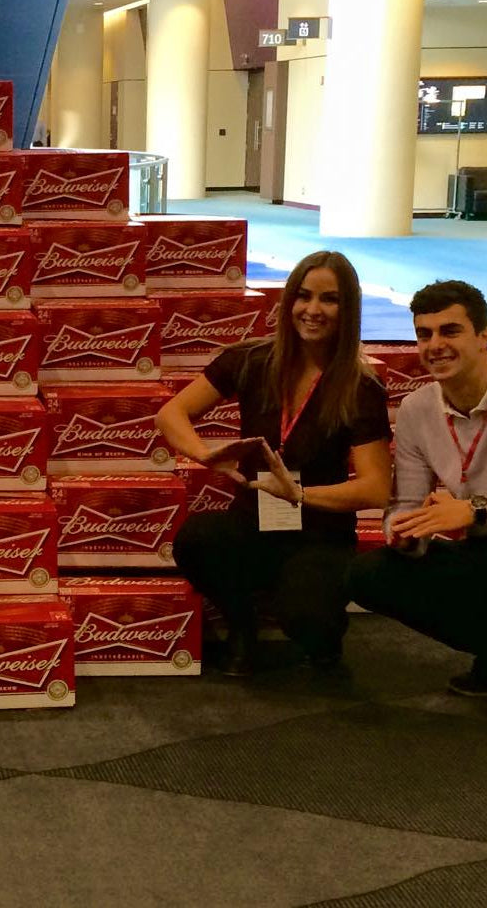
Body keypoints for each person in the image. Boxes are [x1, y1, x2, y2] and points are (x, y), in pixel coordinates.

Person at [155, 250, 392, 674]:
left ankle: (320, 627)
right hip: (252, 521)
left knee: (308, 620)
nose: (313, 310)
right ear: (289, 302)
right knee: (195, 539)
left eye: (329, 299)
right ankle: (242, 625)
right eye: (303, 296)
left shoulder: (361, 386)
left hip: (319, 534)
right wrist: (206, 455)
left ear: (348, 309)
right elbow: (171, 414)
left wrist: (298, 494)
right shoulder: (250, 359)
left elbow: (375, 488)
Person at [347, 279, 487, 696]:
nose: (435, 345)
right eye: (424, 334)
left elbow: (470, 512)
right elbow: (404, 504)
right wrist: (405, 534)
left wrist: (475, 509)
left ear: (483, 338)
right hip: (478, 548)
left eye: (450, 331)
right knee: (370, 575)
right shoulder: (416, 408)